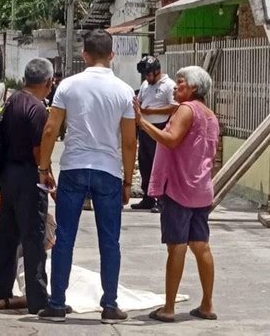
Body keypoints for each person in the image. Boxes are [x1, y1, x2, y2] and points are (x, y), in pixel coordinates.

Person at [37, 29, 137, 324]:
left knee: (65, 237)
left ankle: (56, 303)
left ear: (84, 55)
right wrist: (128, 181)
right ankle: (110, 305)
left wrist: (44, 167)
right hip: (108, 171)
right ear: (112, 56)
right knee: (110, 241)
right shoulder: (123, 91)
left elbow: (50, 129)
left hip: (74, 168)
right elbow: (130, 142)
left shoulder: (68, 86)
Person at [133, 66, 219, 323]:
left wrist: (142, 123)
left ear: (193, 88)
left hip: (179, 189)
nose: (175, 87)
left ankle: (168, 307)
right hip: (201, 190)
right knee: (201, 245)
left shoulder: (187, 109)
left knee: (177, 247)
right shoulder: (210, 115)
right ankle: (207, 304)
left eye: (180, 83)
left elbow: (171, 139)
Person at [0, 58, 53, 314]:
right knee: (33, 237)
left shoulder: (12, 101)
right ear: (48, 82)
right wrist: (46, 173)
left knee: (6, 236)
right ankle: (38, 298)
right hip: (29, 176)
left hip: (8, 175)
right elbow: (37, 150)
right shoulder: (38, 110)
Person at [131, 56, 177, 213]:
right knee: (145, 163)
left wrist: (152, 111)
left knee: (160, 164)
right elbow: (140, 100)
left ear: (157, 71)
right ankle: (148, 197)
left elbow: (174, 107)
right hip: (145, 127)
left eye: (149, 74)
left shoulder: (169, 85)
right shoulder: (145, 84)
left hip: (160, 127)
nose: (147, 77)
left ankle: (161, 199)